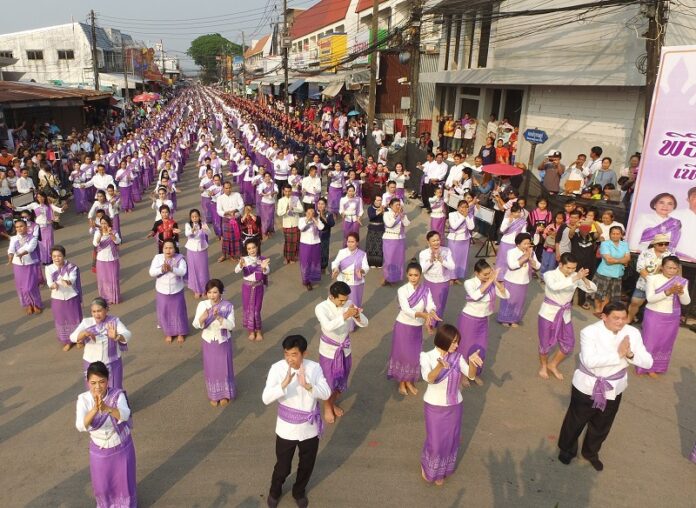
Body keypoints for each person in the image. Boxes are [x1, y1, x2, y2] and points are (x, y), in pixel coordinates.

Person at [557, 302, 653, 471]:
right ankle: (567, 449)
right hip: (587, 386)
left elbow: (647, 362)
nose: (621, 322)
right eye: (616, 318)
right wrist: (619, 355)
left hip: (614, 388)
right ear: (604, 317)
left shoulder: (632, 333)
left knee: (602, 424)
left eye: (624, 318)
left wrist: (630, 354)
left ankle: (591, 453)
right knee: (576, 420)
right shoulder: (589, 332)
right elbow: (589, 361)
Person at [262, 335, 331, 508]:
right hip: (287, 428)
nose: (289, 359)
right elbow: (265, 398)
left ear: (304, 353)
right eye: (286, 354)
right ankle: (274, 491)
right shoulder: (277, 369)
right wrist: (283, 384)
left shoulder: (314, 368)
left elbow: (326, 393)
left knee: (307, 465)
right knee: (283, 467)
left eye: (294, 354)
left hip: (309, 428)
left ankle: (298, 492)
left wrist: (307, 385)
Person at [420, 324, 482, 485]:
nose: (456, 345)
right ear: (443, 340)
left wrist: (472, 363)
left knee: (450, 441)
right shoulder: (426, 356)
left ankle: (441, 471)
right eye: (453, 342)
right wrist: (440, 366)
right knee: (436, 442)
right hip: (434, 407)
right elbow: (429, 378)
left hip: (455, 407)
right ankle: (428, 467)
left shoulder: (458, 357)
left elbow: (471, 376)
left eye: (457, 342)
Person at [75, 361, 137, 508]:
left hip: (121, 446)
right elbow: (80, 425)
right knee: (102, 486)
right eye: (93, 382)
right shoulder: (83, 399)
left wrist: (108, 408)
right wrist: (95, 409)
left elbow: (125, 414)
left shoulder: (117, 395)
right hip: (99, 450)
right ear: (88, 382)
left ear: (108, 380)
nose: (97, 387)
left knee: (124, 484)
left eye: (102, 382)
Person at [315, 281, 368, 423]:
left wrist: (356, 316)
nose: (344, 302)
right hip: (328, 352)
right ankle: (327, 407)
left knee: (341, 380)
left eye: (346, 299)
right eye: (341, 300)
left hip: (345, 349)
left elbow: (365, 322)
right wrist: (345, 316)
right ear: (331, 297)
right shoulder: (321, 308)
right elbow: (327, 326)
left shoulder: (348, 303)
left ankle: (332, 403)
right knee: (329, 383)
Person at [538, 253, 597, 380]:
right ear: (560, 264)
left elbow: (592, 289)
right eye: (568, 268)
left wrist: (584, 279)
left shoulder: (574, 276)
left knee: (569, 343)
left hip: (565, 315)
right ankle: (543, 366)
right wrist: (575, 278)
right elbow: (554, 287)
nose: (571, 271)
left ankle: (552, 364)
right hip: (548, 314)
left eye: (573, 268)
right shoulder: (550, 275)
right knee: (545, 342)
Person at [388, 262, 439, 395]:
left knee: (414, 356)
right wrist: (423, 315)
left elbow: (431, 305)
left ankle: (409, 381)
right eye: (410, 275)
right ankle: (402, 383)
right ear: (406, 275)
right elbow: (406, 309)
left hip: (416, 328)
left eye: (416, 275)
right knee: (403, 355)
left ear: (420, 276)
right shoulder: (402, 290)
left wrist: (432, 312)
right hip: (403, 326)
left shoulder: (426, 290)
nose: (413, 278)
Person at [635, 256, 690, 377]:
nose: (671, 270)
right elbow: (650, 298)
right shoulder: (653, 279)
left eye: (674, 268)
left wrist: (681, 292)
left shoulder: (682, 281)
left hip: (672, 317)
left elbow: (686, 302)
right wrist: (668, 292)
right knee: (650, 342)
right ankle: (644, 366)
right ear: (662, 267)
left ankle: (657, 366)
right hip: (654, 314)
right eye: (669, 267)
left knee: (665, 343)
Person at [70, 297, 131, 390]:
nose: (96, 314)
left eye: (99, 311)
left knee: (114, 388)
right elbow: (72, 337)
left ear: (106, 310)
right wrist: (84, 334)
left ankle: (115, 404)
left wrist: (117, 336)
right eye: (93, 311)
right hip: (91, 363)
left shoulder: (114, 321)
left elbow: (127, 334)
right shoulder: (87, 323)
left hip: (112, 362)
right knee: (95, 390)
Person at [192, 278, 236, 406]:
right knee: (211, 368)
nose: (212, 295)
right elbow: (195, 324)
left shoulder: (228, 306)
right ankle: (213, 395)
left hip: (223, 341)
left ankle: (224, 394)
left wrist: (219, 318)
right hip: (208, 341)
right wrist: (202, 318)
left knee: (224, 367)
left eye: (215, 292)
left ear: (221, 292)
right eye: (209, 292)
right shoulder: (202, 305)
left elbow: (232, 326)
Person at [148, 239, 190, 344]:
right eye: (166, 248)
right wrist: (162, 269)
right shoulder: (158, 258)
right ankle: (169, 333)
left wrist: (172, 269)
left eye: (170, 248)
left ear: (175, 249)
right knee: (165, 313)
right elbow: (151, 272)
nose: (168, 250)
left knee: (178, 312)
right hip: (162, 290)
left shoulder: (180, 259)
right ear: (162, 249)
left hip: (177, 290)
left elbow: (183, 271)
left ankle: (181, 332)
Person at [627, 233, 673, 323]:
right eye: (661, 244)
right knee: (635, 303)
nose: (664, 246)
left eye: (666, 244)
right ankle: (629, 319)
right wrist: (651, 281)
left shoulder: (671, 256)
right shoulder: (645, 253)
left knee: (655, 307)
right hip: (643, 284)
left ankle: (648, 325)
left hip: (660, 287)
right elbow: (640, 268)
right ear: (655, 244)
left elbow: (671, 271)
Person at [498, 233, 540, 327]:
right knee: (508, 300)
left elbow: (538, 266)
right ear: (518, 244)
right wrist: (524, 257)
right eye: (524, 243)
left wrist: (531, 258)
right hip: (511, 280)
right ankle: (504, 318)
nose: (527, 246)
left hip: (523, 281)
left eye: (528, 243)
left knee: (519, 301)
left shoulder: (531, 253)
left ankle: (514, 319)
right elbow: (512, 266)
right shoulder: (511, 252)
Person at [46, 245, 82, 351]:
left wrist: (67, 282)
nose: (57, 258)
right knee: (62, 320)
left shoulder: (72, 267)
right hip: (57, 298)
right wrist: (53, 285)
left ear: (64, 256)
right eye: (54, 256)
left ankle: (79, 339)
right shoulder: (48, 268)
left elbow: (73, 279)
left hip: (71, 296)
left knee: (74, 319)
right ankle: (67, 341)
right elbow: (49, 282)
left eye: (59, 256)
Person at [14, 191, 65, 265]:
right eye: (38, 197)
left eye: (41, 197)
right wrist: (14, 207)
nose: (40, 198)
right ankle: (44, 259)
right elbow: (23, 208)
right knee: (41, 244)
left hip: (48, 227)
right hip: (39, 227)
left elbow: (58, 209)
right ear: (36, 198)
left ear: (44, 197)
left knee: (49, 243)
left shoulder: (48, 205)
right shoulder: (34, 205)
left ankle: (50, 259)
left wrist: (63, 208)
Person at [331, 232, 369, 331]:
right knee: (342, 303)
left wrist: (361, 271)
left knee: (354, 303)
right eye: (348, 241)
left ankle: (352, 324)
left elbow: (366, 267)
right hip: (343, 282)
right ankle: (341, 321)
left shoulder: (362, 254)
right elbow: (335, 263)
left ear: (357, 242)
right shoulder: (342, 252)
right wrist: (335, 269)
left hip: (356, 283)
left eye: (352, 242)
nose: (350, 244)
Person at [235, 239, 270, 341]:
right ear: (247, 250)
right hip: (247, 287)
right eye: (249, 248)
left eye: (253, 247)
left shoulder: (262, 259)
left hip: (258, 287)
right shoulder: (244, 259)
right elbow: (236, 270)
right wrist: (241, 265)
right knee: (248, 309)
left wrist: (264, 268)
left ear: (257, 247)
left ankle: (258, 330)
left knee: (256, 310)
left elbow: (267, 271)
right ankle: (251, 331)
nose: (252, 250)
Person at [592, 226, 630, 317]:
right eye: (613, 233)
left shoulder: (624, 244)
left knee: (609, 294)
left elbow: (628, 258)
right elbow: (608, 260)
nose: (615, 236)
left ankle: (603, 310)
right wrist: (622, 260)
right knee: (599, 293)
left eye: (618, 234)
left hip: (617, 273)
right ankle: (597, 309)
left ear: (621, 235)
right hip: (604, 272)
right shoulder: (605, 244)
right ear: (610, 234)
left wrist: (616, 260)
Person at [418, 231, 455, 319]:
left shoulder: (446, 251)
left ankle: (435, 322)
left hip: (443, 282)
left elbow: (452, 266)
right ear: (428, 242)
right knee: (429, 303)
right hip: (429, 282)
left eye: (438, 240)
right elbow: (422, 270)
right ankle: (430, 322)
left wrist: (442, 260)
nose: (436, 242)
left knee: (440, 305)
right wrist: (430, 261)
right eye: (433, 241)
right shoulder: (424, 253)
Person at [93, 216, 121, 305]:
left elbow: (118, 241)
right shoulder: (98, 232)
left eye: (105, 223)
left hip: (112, 259)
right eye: (102, 223)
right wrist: (100, 235)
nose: (103, 225)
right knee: (103, 280)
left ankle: (113, 298)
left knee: (113, 278)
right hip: (101, 260)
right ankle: (104, 298)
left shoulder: (114, 231)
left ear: (109, 223)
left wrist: (111, 235)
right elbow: (95, 243)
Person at [447, 199, 476, 283]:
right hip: (454, 240)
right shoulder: (452, 214)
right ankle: (451, 277)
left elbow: (471, 227)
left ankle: (456, 277)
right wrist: (463, 217)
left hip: (465, 240)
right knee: (453, 258)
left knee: (461, 259)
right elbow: (454, 226)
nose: (464, 209)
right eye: (462, 207)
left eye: (466, 207)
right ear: (458, 207)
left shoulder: (469, 215)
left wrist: (466, 217)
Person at [382, 198, 410, 285]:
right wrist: (397, 216)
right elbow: (389, 224)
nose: (398, 206)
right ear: (391, 205)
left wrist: (402, 216)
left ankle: (395, 278)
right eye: (396, 205)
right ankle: (387, 277)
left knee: (398, 259)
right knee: (389, 259)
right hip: (389, 238)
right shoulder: (387, 214)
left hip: (400, 239)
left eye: (399, 205)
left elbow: (407, 223)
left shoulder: (401, 214)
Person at [184, 209, 210, 299]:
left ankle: (204, 289)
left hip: (202, 249)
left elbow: (209, 233)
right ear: (190, 218)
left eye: (196, 216)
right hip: (191, 250)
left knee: (203, 270)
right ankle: (196, 289)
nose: (194, 218)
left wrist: (205, 229)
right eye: (192, 217)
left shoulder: (203, 224)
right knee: (193, 270)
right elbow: (187, 234)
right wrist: (192, 230)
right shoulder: (188, 225)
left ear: (199, 217)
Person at [216, 181, 244, 262]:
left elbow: (242, 205)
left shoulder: (237, 195)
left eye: (229, 188)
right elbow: (219, 210)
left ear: (231, 187)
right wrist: (226, 213)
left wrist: (235, 210)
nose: (228, 190)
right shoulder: (220, 198)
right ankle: (224, 255)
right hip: (226, 220)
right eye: (226, 188)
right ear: (223, 188)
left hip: (236, 220)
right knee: (226, 239)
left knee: (237, 237)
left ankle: (237, 255)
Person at [298, 206, 324, 291]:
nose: (310, 215)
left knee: (315, 261)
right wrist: (307, 220)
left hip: (316, 243)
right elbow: (300, 227)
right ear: (305, 213)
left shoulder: (316, 219)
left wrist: (315, 220)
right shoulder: (302, 219)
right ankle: (306, 280)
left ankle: (313, 277)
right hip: (305, 244)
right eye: (308, 213)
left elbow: (321, 227)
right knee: (305, 262)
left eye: (312, 213)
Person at [277, 185, 304, 264]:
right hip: (287, 224)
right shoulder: (281, 201)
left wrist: (293, 208)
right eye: (286, 191)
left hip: (295, 223)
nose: (288, 193)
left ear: (291, 191)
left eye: (289, 191)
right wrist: (286, 209)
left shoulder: (296, 199)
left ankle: (293, 257)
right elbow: (279, 213)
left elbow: (301, 210)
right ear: (283, 191)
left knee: (295, 241)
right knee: (288, 241)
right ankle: (286, 257)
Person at [365, 195, 385, 267]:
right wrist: (379, 211)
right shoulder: (370, 208)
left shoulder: (384, 209)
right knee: (371, 246)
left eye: (380, 200)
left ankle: (379, 263)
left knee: (379, 246)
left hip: (381, 229)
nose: (379, 202)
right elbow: (371, 216)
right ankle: (371, 263)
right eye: (377, 200)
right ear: (374, 200)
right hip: (372, 229)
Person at [316, 197, 335, 274]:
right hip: (315, 235)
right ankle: (316, 265)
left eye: (322, 204)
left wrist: (323, 217)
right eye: (319, 204)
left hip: (325, 235)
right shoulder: (314, 213)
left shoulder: (329, 214)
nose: (320, 205)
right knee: (316, 250)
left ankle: (323, 266)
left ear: (325, 205)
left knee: (324, 250)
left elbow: (332, 224)